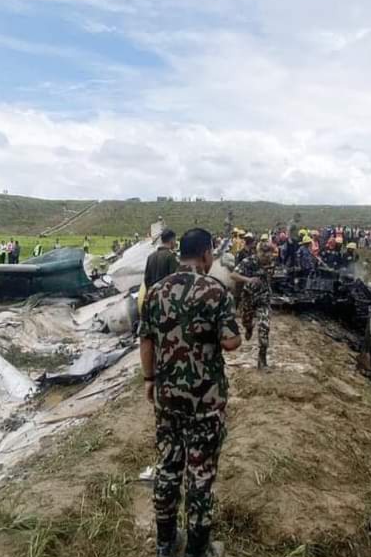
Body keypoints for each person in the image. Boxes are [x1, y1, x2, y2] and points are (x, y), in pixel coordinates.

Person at [138, 228, 242, 557]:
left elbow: (146, 340)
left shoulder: (155, 292)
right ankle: (199, 549)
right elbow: (231, 342)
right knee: (200, 473)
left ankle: (166, 543)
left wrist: (149, 380)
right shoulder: (216, 291)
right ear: (207, 255)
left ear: (180, 253)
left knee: (168, 467)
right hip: (205, 402)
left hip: (167, 397)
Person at [235, 242, 276, 369]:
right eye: (264, 255)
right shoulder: (248, 262)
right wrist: (248, 280)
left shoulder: (272, 262)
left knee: (265, 327)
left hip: (263, 300)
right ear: (258, 253)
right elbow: (233, 275)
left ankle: (262, 360)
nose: (267, 258)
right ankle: (248, 328)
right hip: (248, 298)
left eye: (269, 255)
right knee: (246, 322)